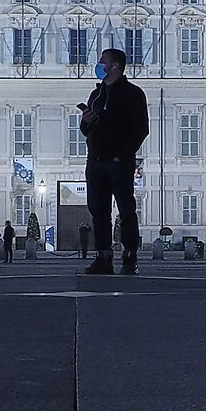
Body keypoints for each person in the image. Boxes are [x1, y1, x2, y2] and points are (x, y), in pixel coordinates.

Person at [76, 47, 148, 275]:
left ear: (115, 65)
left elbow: (141, 129)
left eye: (102, 60)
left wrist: (122, 154)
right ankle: (103, 257)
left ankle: (129, 256)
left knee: (126, 210)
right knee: (98, 210)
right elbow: (85, 130)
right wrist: (87, 121)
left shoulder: (133, 94)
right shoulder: (96, 95)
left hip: (119, 161)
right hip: (95, 160)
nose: (98, 64)